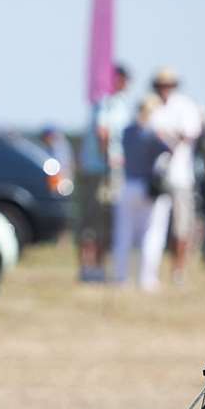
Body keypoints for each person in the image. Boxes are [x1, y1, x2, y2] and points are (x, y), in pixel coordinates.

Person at [111, 94, 173, 291]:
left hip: (128, 185)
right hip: (147, 186)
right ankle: (147, 278)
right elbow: (169, 150)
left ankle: (121, 277)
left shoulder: (128, 131)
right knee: (151, 233)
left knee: (124, 232)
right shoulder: (153, 134)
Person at [148, 67, 204, 285]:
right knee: (154, 225)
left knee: (181, 227)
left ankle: (177, 271)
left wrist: (165, 137)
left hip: (180, 175)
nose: (164, 89)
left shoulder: (184, 105)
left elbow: (188, 134)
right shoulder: (151, 105)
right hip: (155, 175)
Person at [78, 63, 132, 283]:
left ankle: (99, 267)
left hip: (113, 170)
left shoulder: (121, 105)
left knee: (106, 220)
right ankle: (89, 267)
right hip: (100, 171)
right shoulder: (105, 103)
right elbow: (103, 132)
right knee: (94, 220)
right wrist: (107, 158)